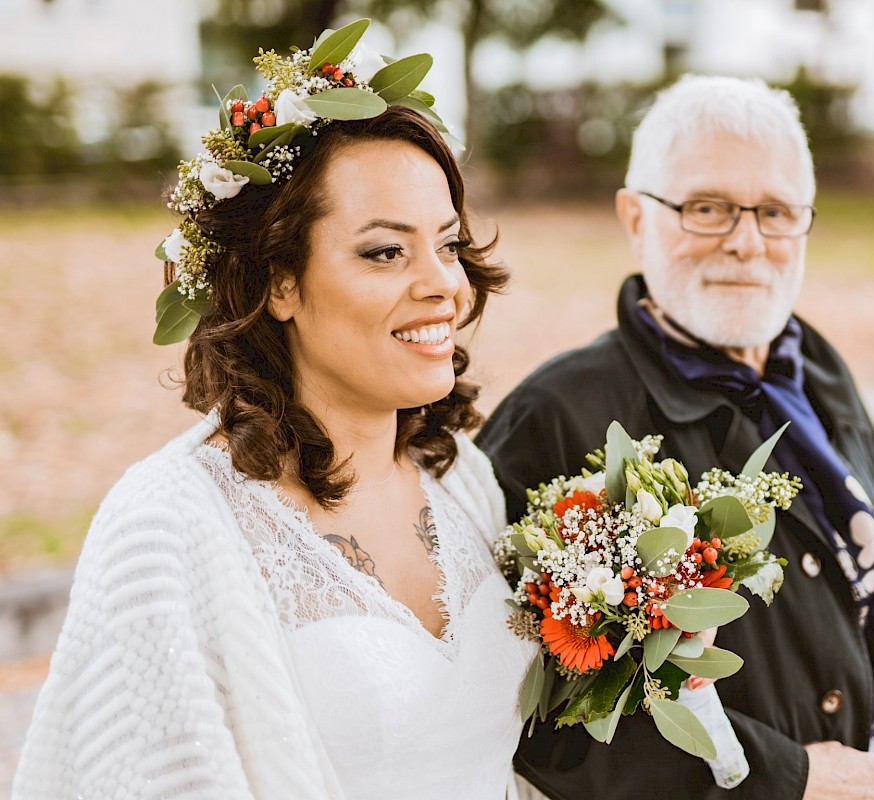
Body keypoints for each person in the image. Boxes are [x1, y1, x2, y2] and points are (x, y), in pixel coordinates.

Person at [14, 24, 536, 800]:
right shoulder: (166, 527)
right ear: (279, 281)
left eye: (449, 245)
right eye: (385, 252)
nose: (444, 286)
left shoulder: (464, 481)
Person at [478, 75, 874, 800]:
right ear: (635, 217)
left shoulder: (818, 371)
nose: (747, 242)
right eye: (707, 208)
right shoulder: (553, 417)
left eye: (776, 211)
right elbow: (527, 722)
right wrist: (782, 779)